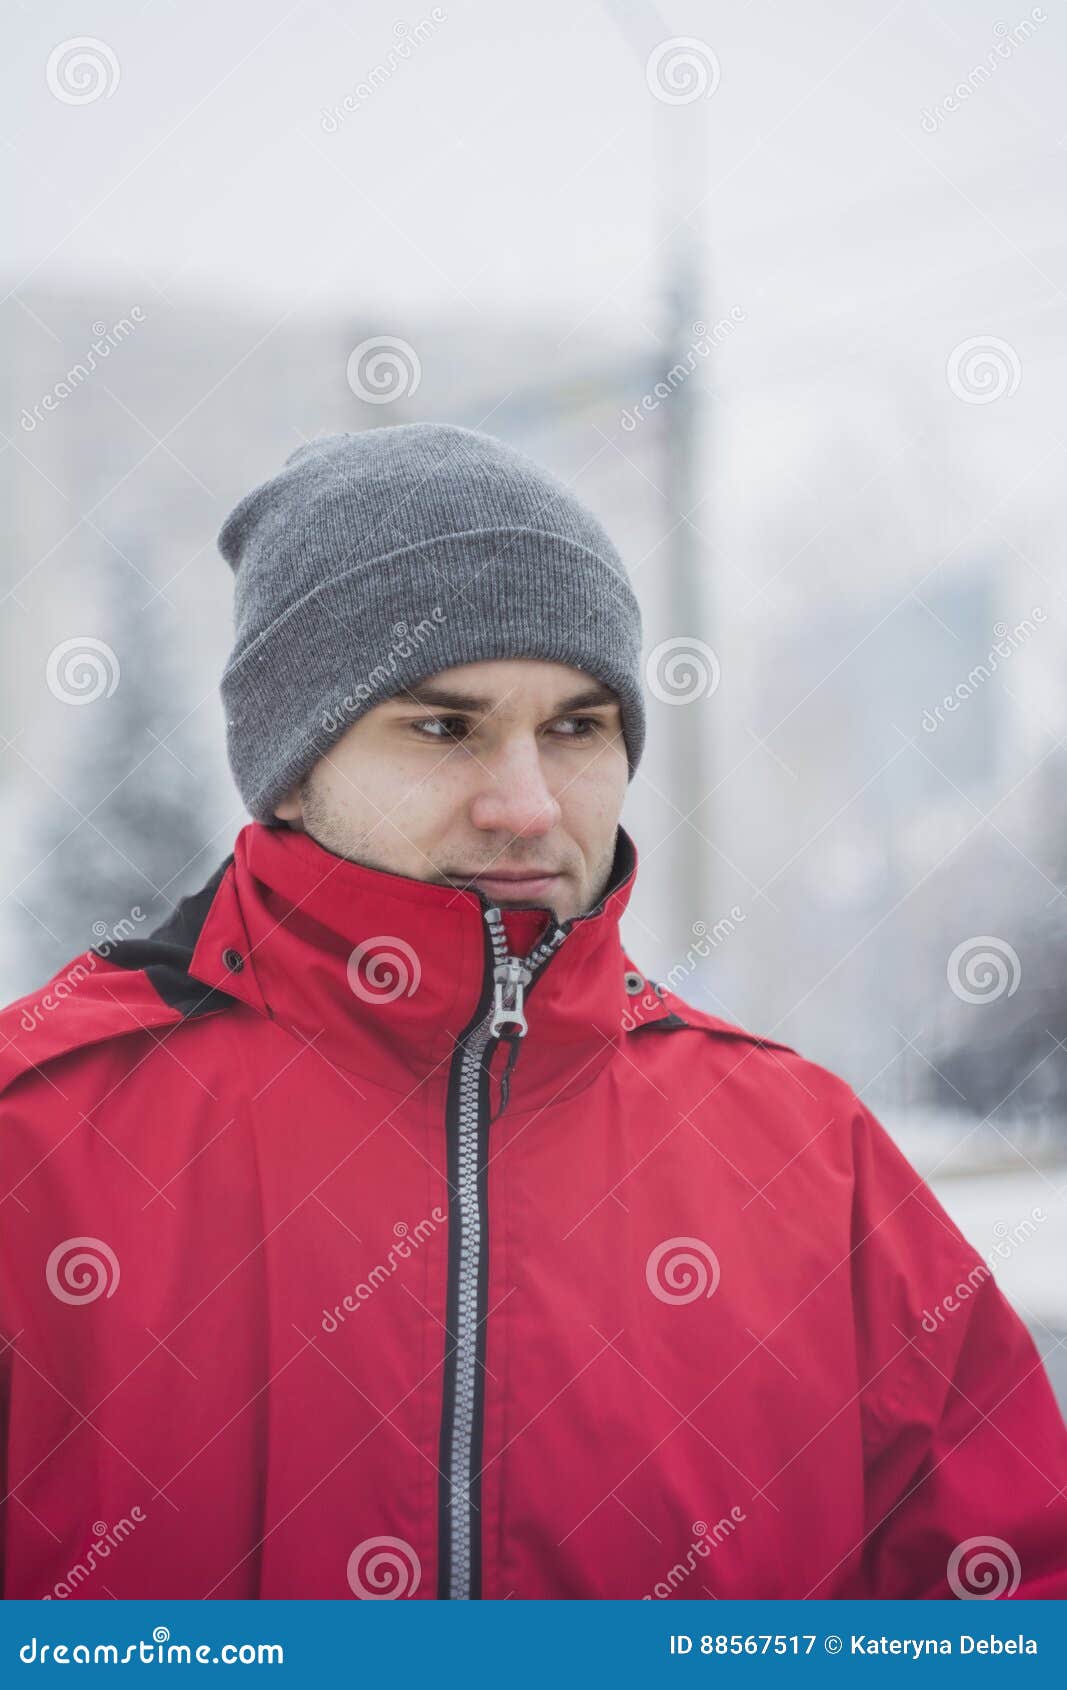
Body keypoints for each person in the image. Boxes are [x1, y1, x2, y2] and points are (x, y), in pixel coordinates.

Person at [1, 423, 1065, 1602]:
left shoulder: (806, 1158)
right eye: (443, 727)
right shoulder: (37, 1139)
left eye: (575, 727)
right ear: (291, 767)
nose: (525, 803)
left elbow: (1007, 1611)